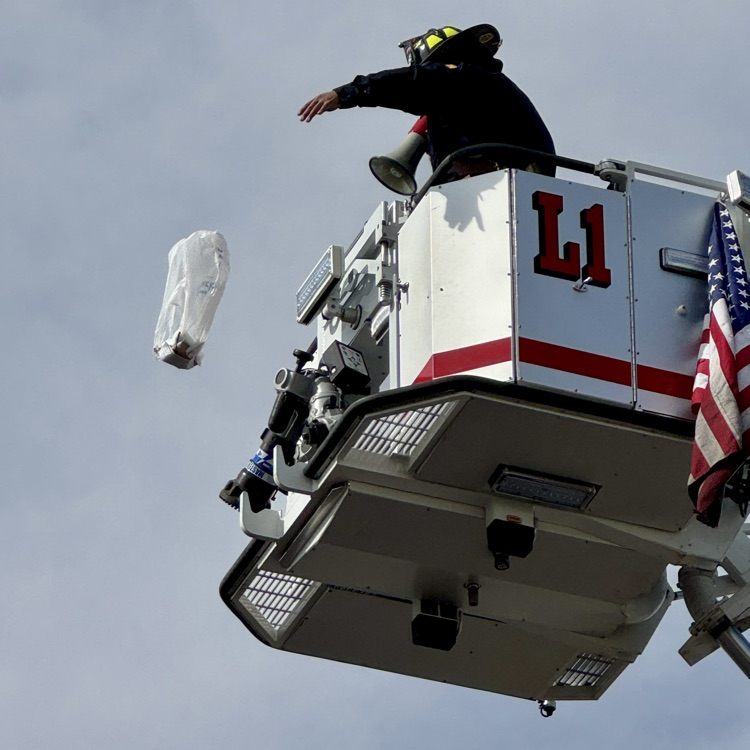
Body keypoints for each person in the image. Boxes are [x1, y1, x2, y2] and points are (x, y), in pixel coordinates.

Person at [298, 24, 556, 180]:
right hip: (517, 188)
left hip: (512, 183)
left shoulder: (467, 78)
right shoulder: (472, 98)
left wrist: (346, 94)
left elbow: (413, 82)